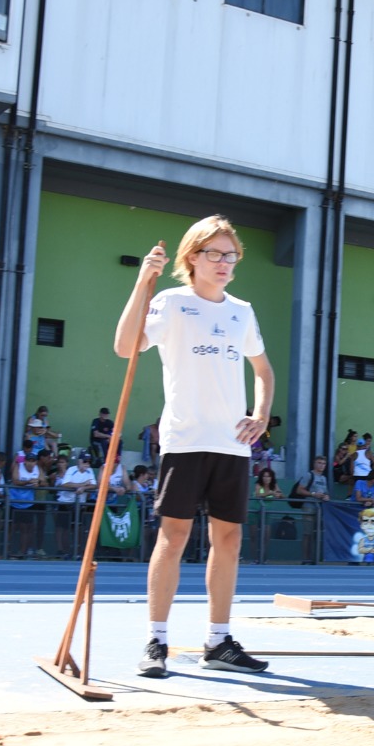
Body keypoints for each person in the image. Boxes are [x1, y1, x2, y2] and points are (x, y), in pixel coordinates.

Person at [117, 216, 275, 679]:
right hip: (185, 440)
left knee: (228, 540)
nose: (225, 263)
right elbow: (126, 347)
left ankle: (219, 640)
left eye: (231, 255)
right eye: (215, 254)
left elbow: (263, 370)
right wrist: (142, 281)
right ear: (192, 258)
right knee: (174, 538)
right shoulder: (171, 303)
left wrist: (261, 415)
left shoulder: (241, 311)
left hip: (231, 444)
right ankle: (157, 640)